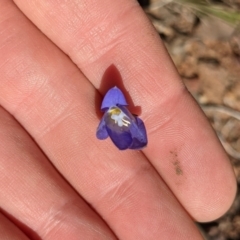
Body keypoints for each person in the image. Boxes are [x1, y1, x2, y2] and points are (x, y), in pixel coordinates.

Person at [0, 0, 236, 239]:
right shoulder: (112, 107)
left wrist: (114, 116)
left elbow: (113, 130)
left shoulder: (114, 109)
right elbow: (107, 127)